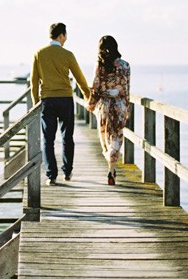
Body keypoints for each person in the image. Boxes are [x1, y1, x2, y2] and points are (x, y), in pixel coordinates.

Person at [31, 23, 92, 186]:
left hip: (47, 100)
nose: (66, 39)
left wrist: (36, 103)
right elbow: (80, 78)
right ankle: (67, 172)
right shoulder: (68, 54)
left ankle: (51, 176)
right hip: (65, 99)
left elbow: (34, 81)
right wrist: (88, 96)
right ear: (61, 36)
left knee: (48, 139)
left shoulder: (39, 54)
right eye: (66, 35)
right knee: (67, 136)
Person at [85, 35, 131, 185]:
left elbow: (95, 88)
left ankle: (110, 164)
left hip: (104, 106)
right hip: (119, 106)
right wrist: (127, 108)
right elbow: (126, 90)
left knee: (105, 138)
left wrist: (90, 104)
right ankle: (112, 168)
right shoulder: (125, 66)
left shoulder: (100, 65)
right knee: (117, 136)